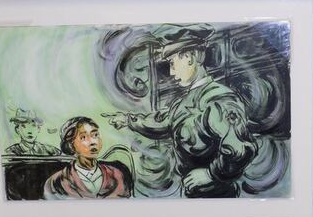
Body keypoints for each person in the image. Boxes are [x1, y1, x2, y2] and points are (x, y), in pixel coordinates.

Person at [107, 24, 257, 198]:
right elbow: (163, 122)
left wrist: (211, 174)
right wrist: (128, 121)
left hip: (218, 195)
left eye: (172, 63)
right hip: (192, 192)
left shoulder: (219, 100)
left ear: (190, 57)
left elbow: (241, 149)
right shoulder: (184, 100)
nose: (171, 72)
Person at [43, 116, 131, 199]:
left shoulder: (117, 175)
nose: (93, 142)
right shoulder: (57, 182)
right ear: (71, 145)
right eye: (83, 137)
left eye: (95, 135)